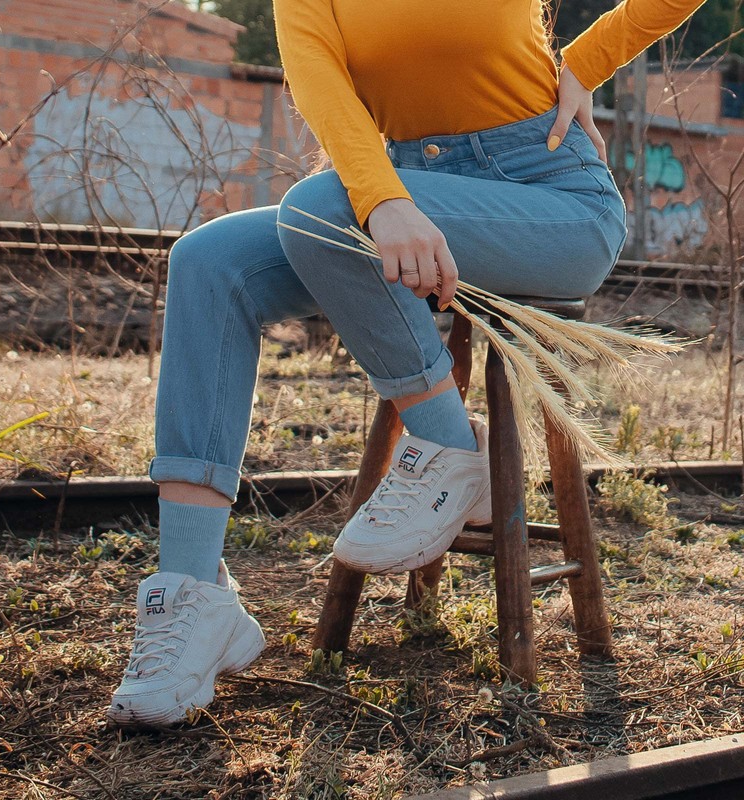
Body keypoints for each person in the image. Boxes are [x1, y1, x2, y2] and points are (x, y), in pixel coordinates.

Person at [106, 0, 707, 727]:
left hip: (548, 198)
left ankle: (449, 449)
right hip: (399, 194)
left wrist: (584, 61)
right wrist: (384, 197)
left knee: (321, 208)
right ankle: (192, 599)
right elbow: (325, 93)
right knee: (209, 262)